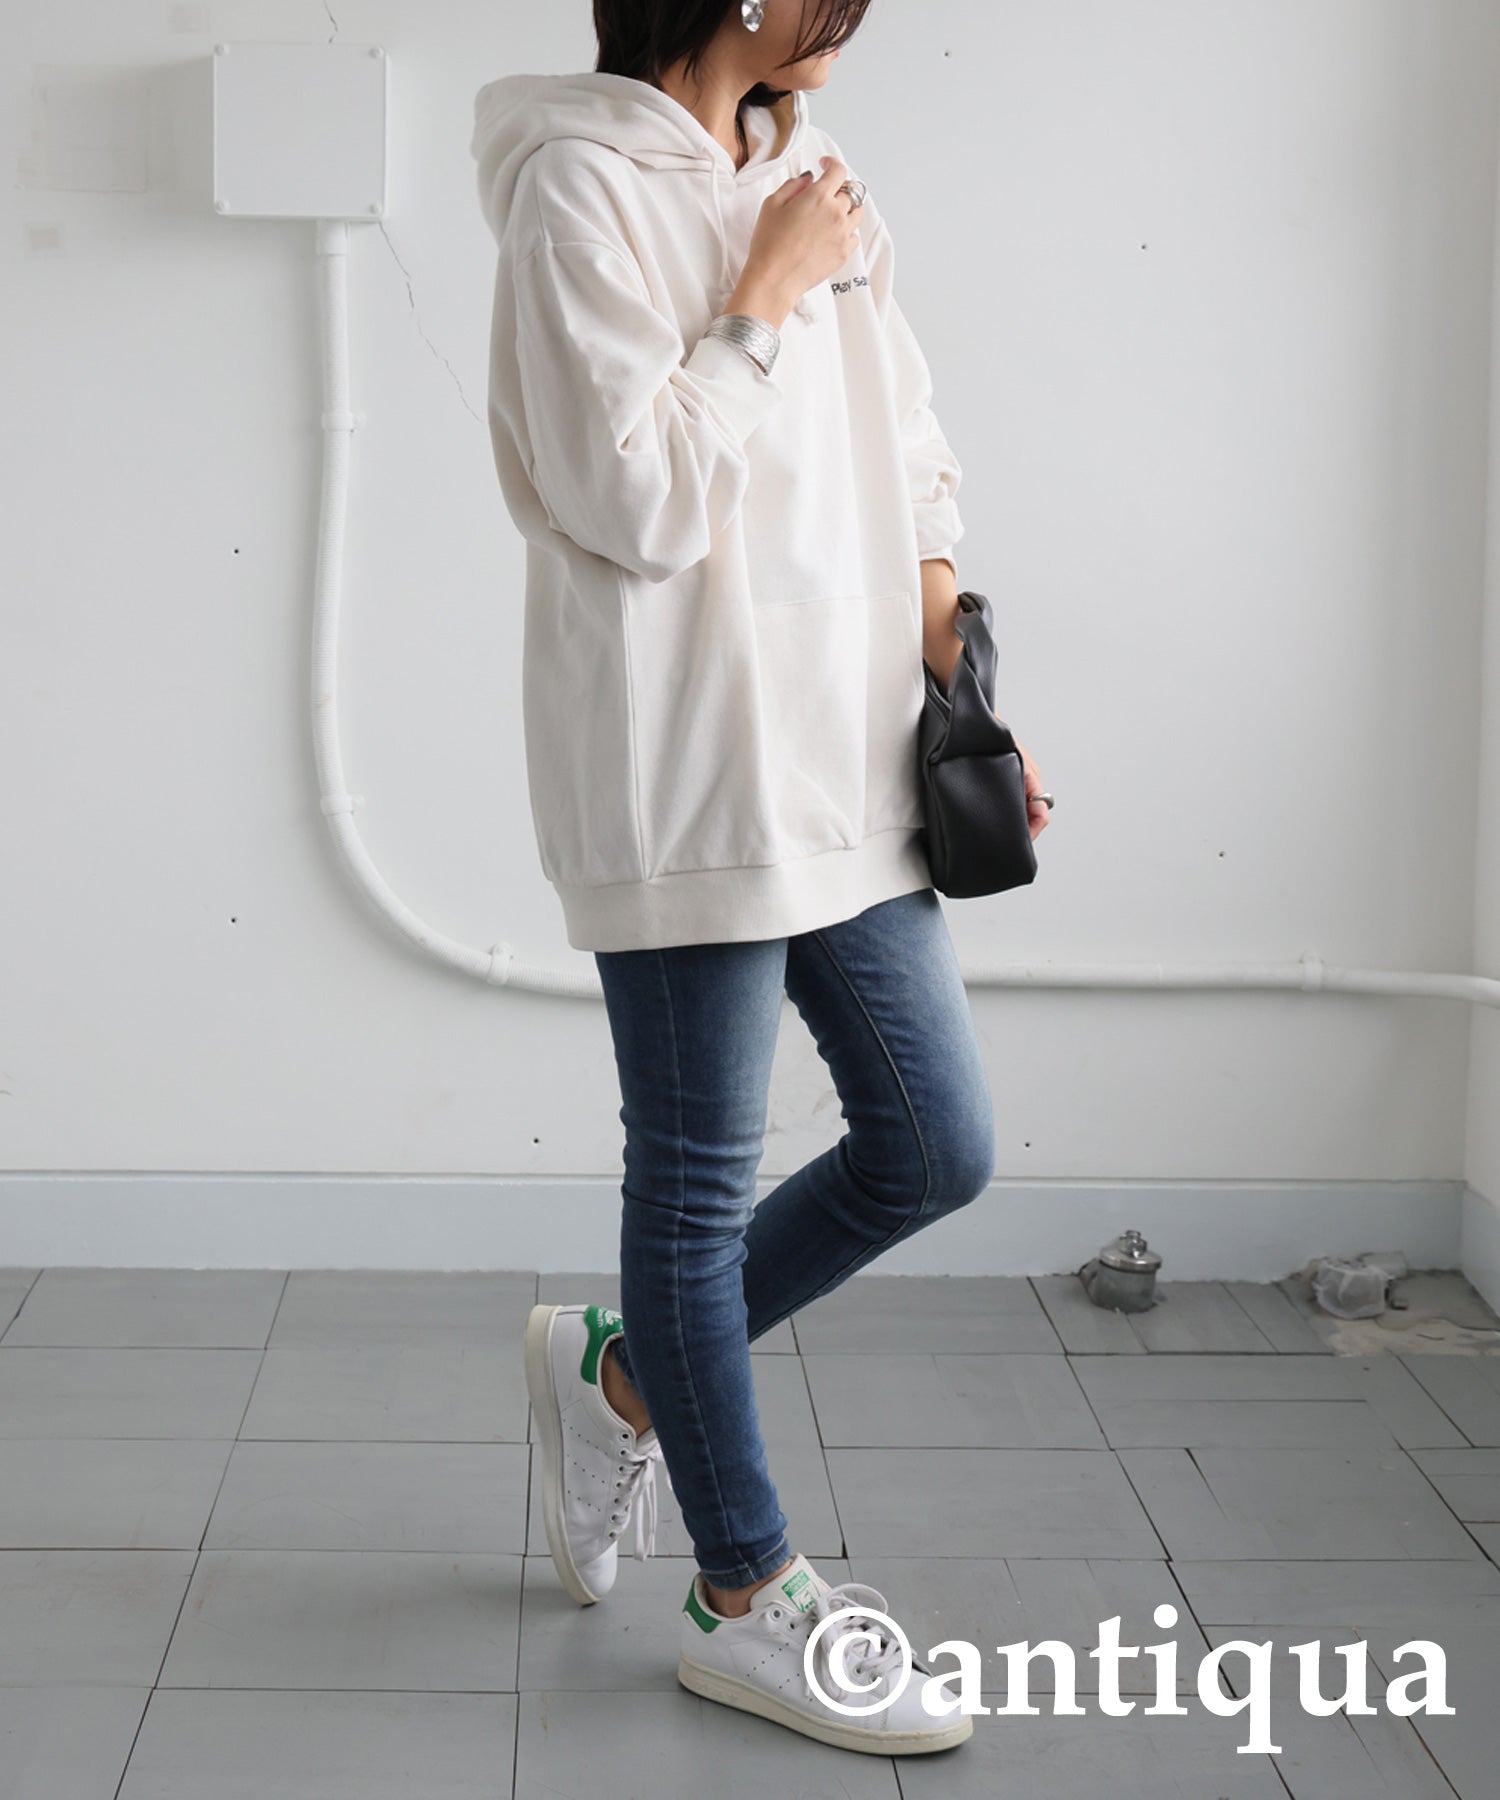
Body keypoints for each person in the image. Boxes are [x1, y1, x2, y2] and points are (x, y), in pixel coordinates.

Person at [470, 0, 1050, 1757]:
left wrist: (963, 701)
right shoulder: (575, 190)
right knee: (697, 1186)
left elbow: (912, 454)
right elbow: (632, 502)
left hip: (850, 754)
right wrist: (762, 298)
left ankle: (623, 1375)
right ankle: (744, 1596)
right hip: (686, 765)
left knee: (935, 1147)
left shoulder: (817, 173)